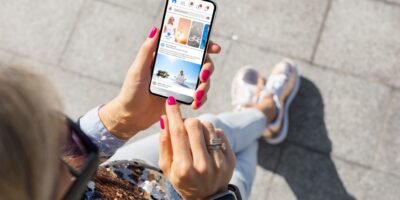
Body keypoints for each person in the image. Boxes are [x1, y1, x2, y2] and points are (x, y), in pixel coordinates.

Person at [0, 26, 300, 200]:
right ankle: (266, 113)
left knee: (210, 128)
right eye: (54, 168)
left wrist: (121, 118)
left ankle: (262, 116)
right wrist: (211, 196)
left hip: (128, 173)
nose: (66, 157)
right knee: (237, 167)